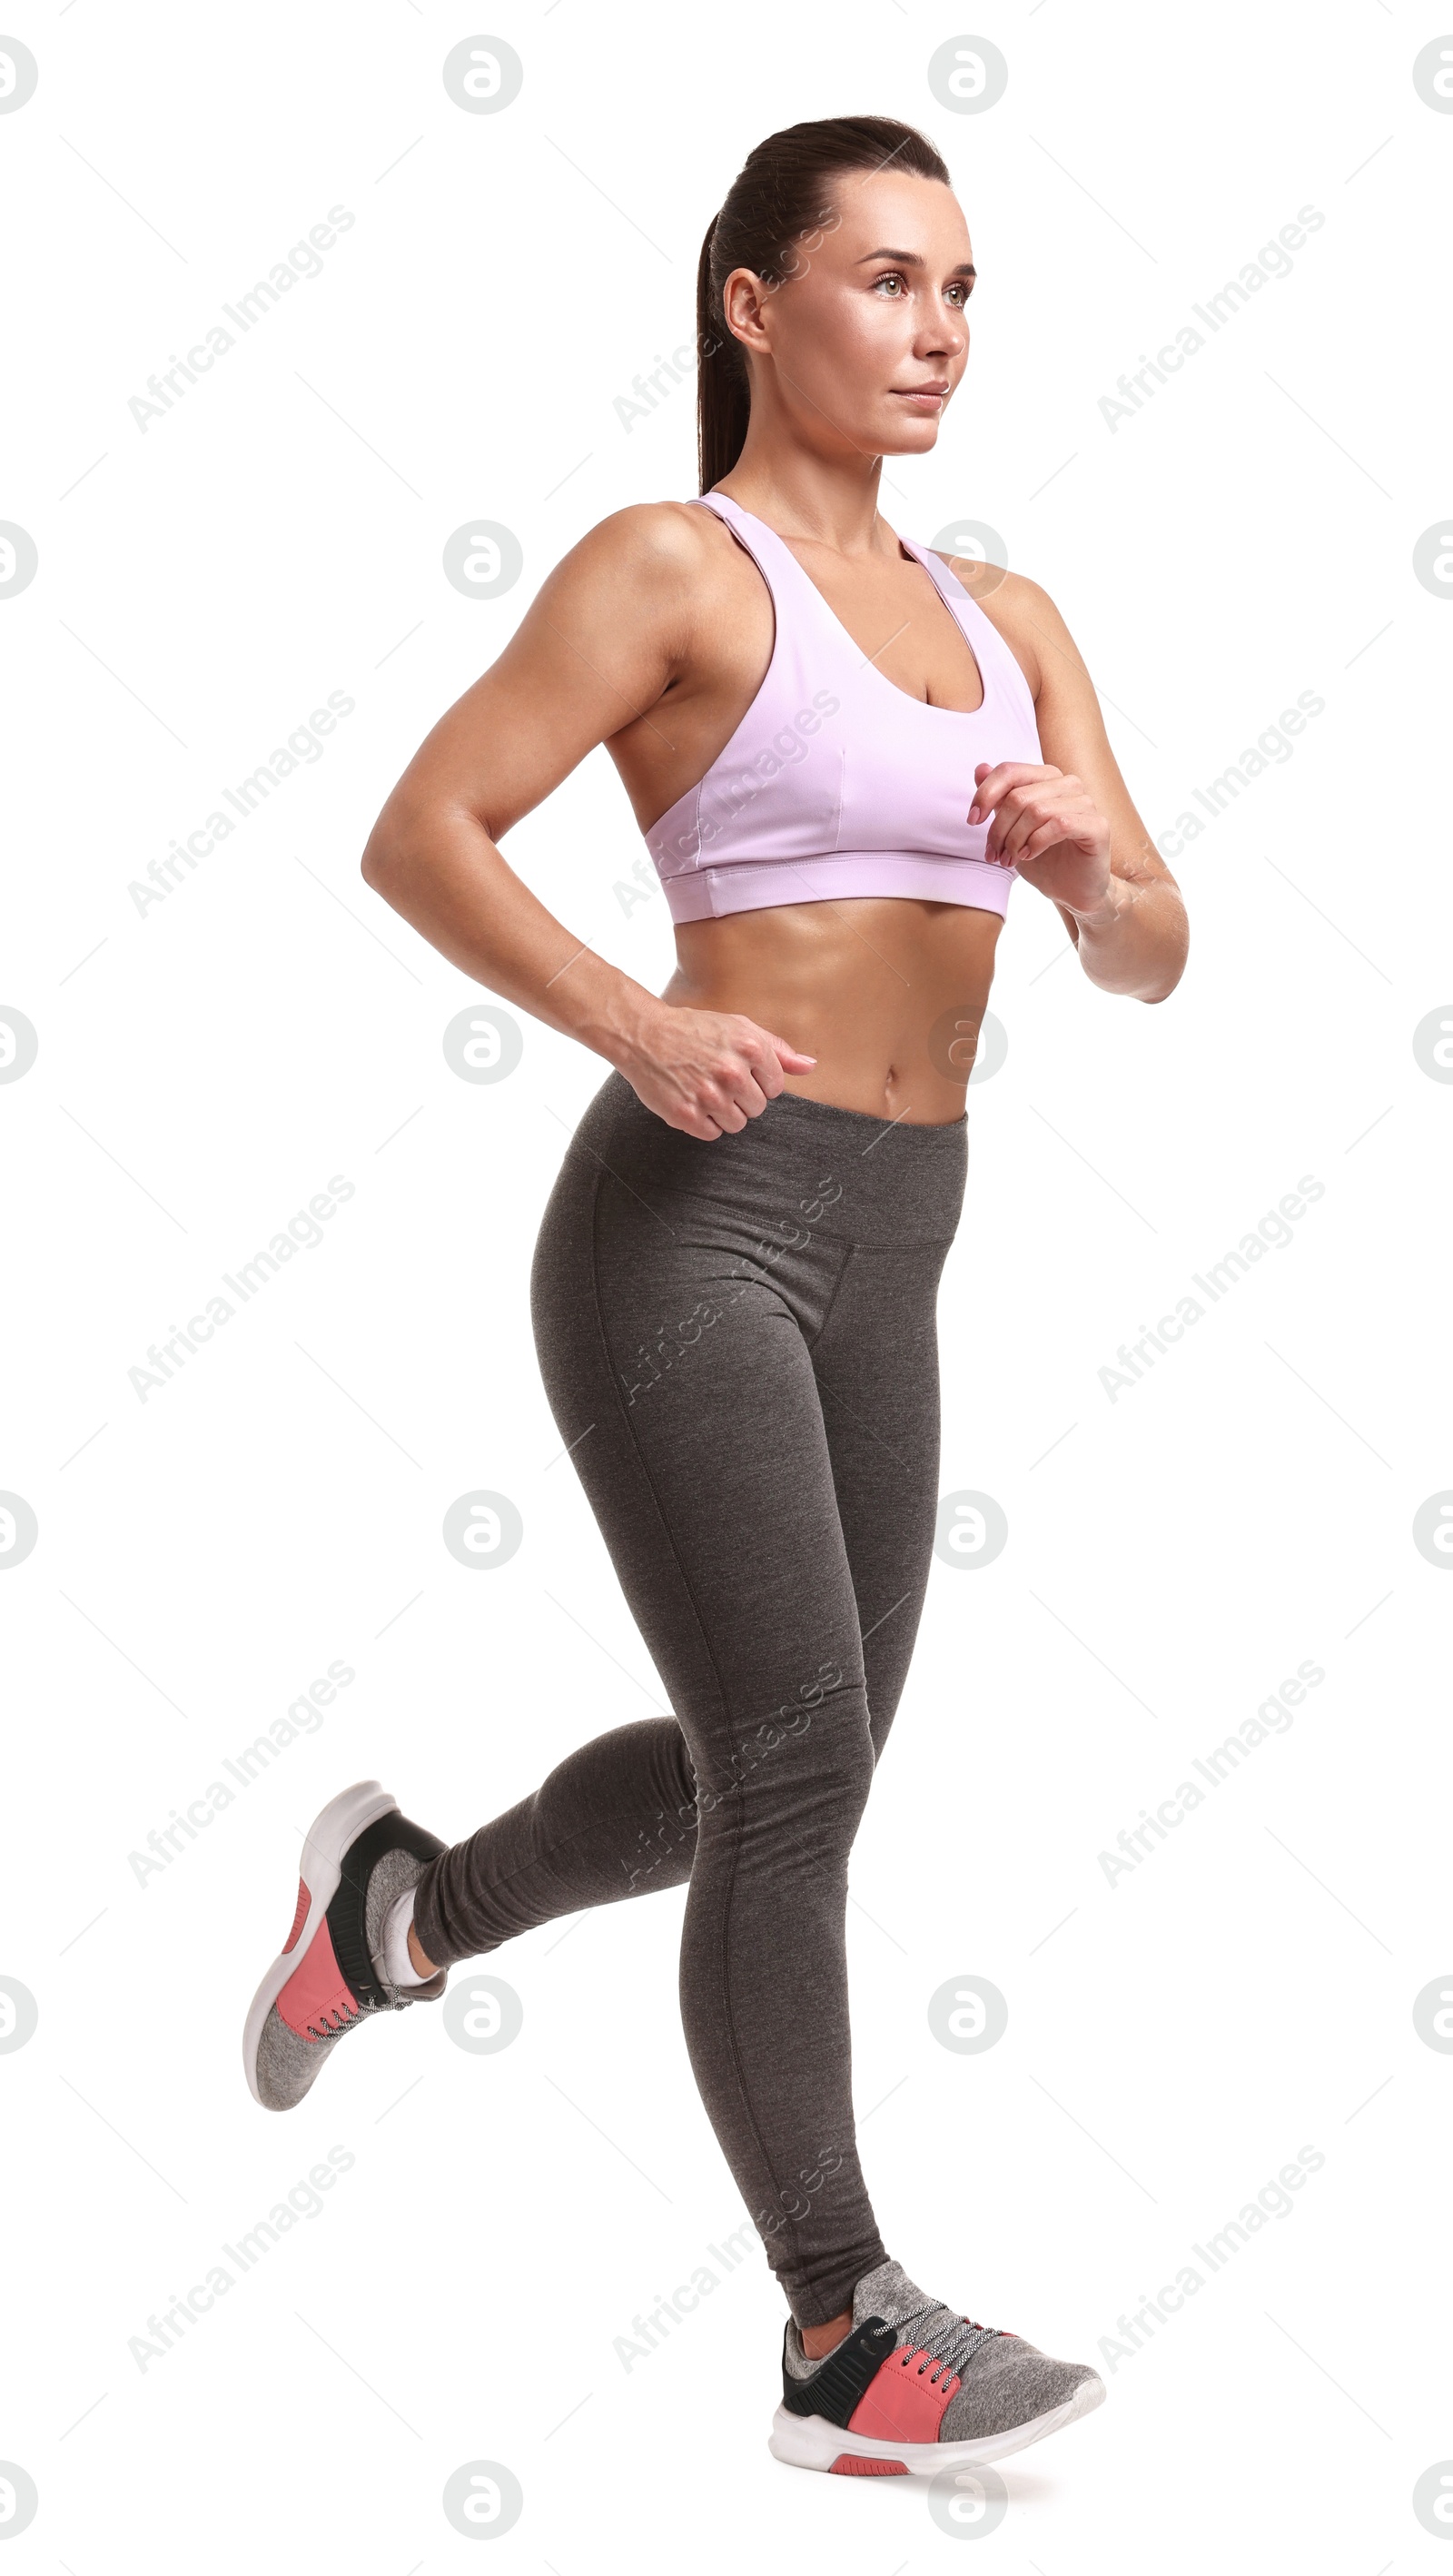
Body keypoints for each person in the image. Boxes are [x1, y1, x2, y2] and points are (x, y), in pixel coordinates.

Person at [242, 113, 1187, 2477]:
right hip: (699, 1220)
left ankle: (398, 1905)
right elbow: (422, 828)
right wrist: (639, 1022)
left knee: (803, 1759)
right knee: (793, 1765)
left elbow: (1159, 950)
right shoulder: (677, 564)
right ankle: (837, 2332)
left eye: (963, 286)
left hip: (906, 1229)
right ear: (755, 305)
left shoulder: (1011, 618)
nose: (939, 326)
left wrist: (1085, 873)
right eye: (886, 279)